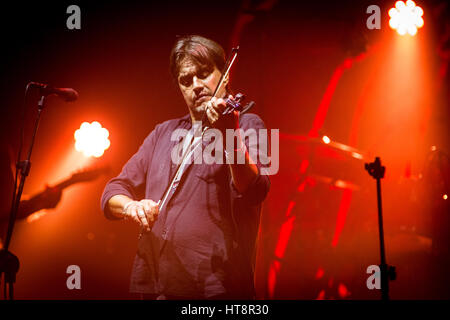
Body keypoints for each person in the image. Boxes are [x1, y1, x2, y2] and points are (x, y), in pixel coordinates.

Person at [101, 35, 270, 299]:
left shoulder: (248, 124)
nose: (197, 86)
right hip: (151, 283)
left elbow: (255, 190)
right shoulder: (163, 133)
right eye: (186, 80)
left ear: (224, 76)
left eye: (204, 74)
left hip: (214, 289)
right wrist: (132, 206)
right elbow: (112, 191)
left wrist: (230, 136)